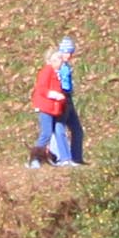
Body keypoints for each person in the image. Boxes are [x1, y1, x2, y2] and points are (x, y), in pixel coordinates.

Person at [28, 35, 84, 166]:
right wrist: (55, 95)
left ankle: (65, 158)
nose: (67, 56)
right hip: (47, 108)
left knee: (60, 130)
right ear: (52, 60)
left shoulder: (56, 71)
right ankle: (35, 159)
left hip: (55, 107)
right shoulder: (48, 71)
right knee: (47, 133)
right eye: (65, 53)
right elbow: (42, 89)